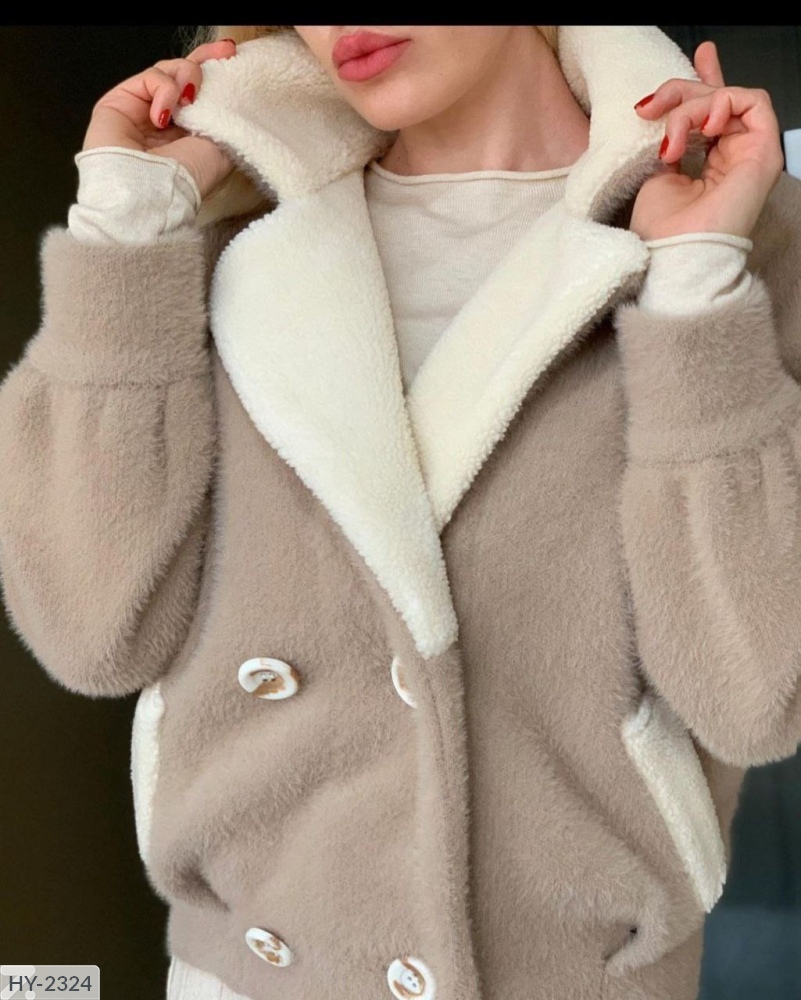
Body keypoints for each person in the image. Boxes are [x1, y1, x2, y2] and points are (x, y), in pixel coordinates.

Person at [1, 24, 800, 1000]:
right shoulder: (210, 226)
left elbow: (756, 694)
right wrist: (125, 225)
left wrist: (695, 287)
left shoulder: (733, 232)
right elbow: (90, 633)